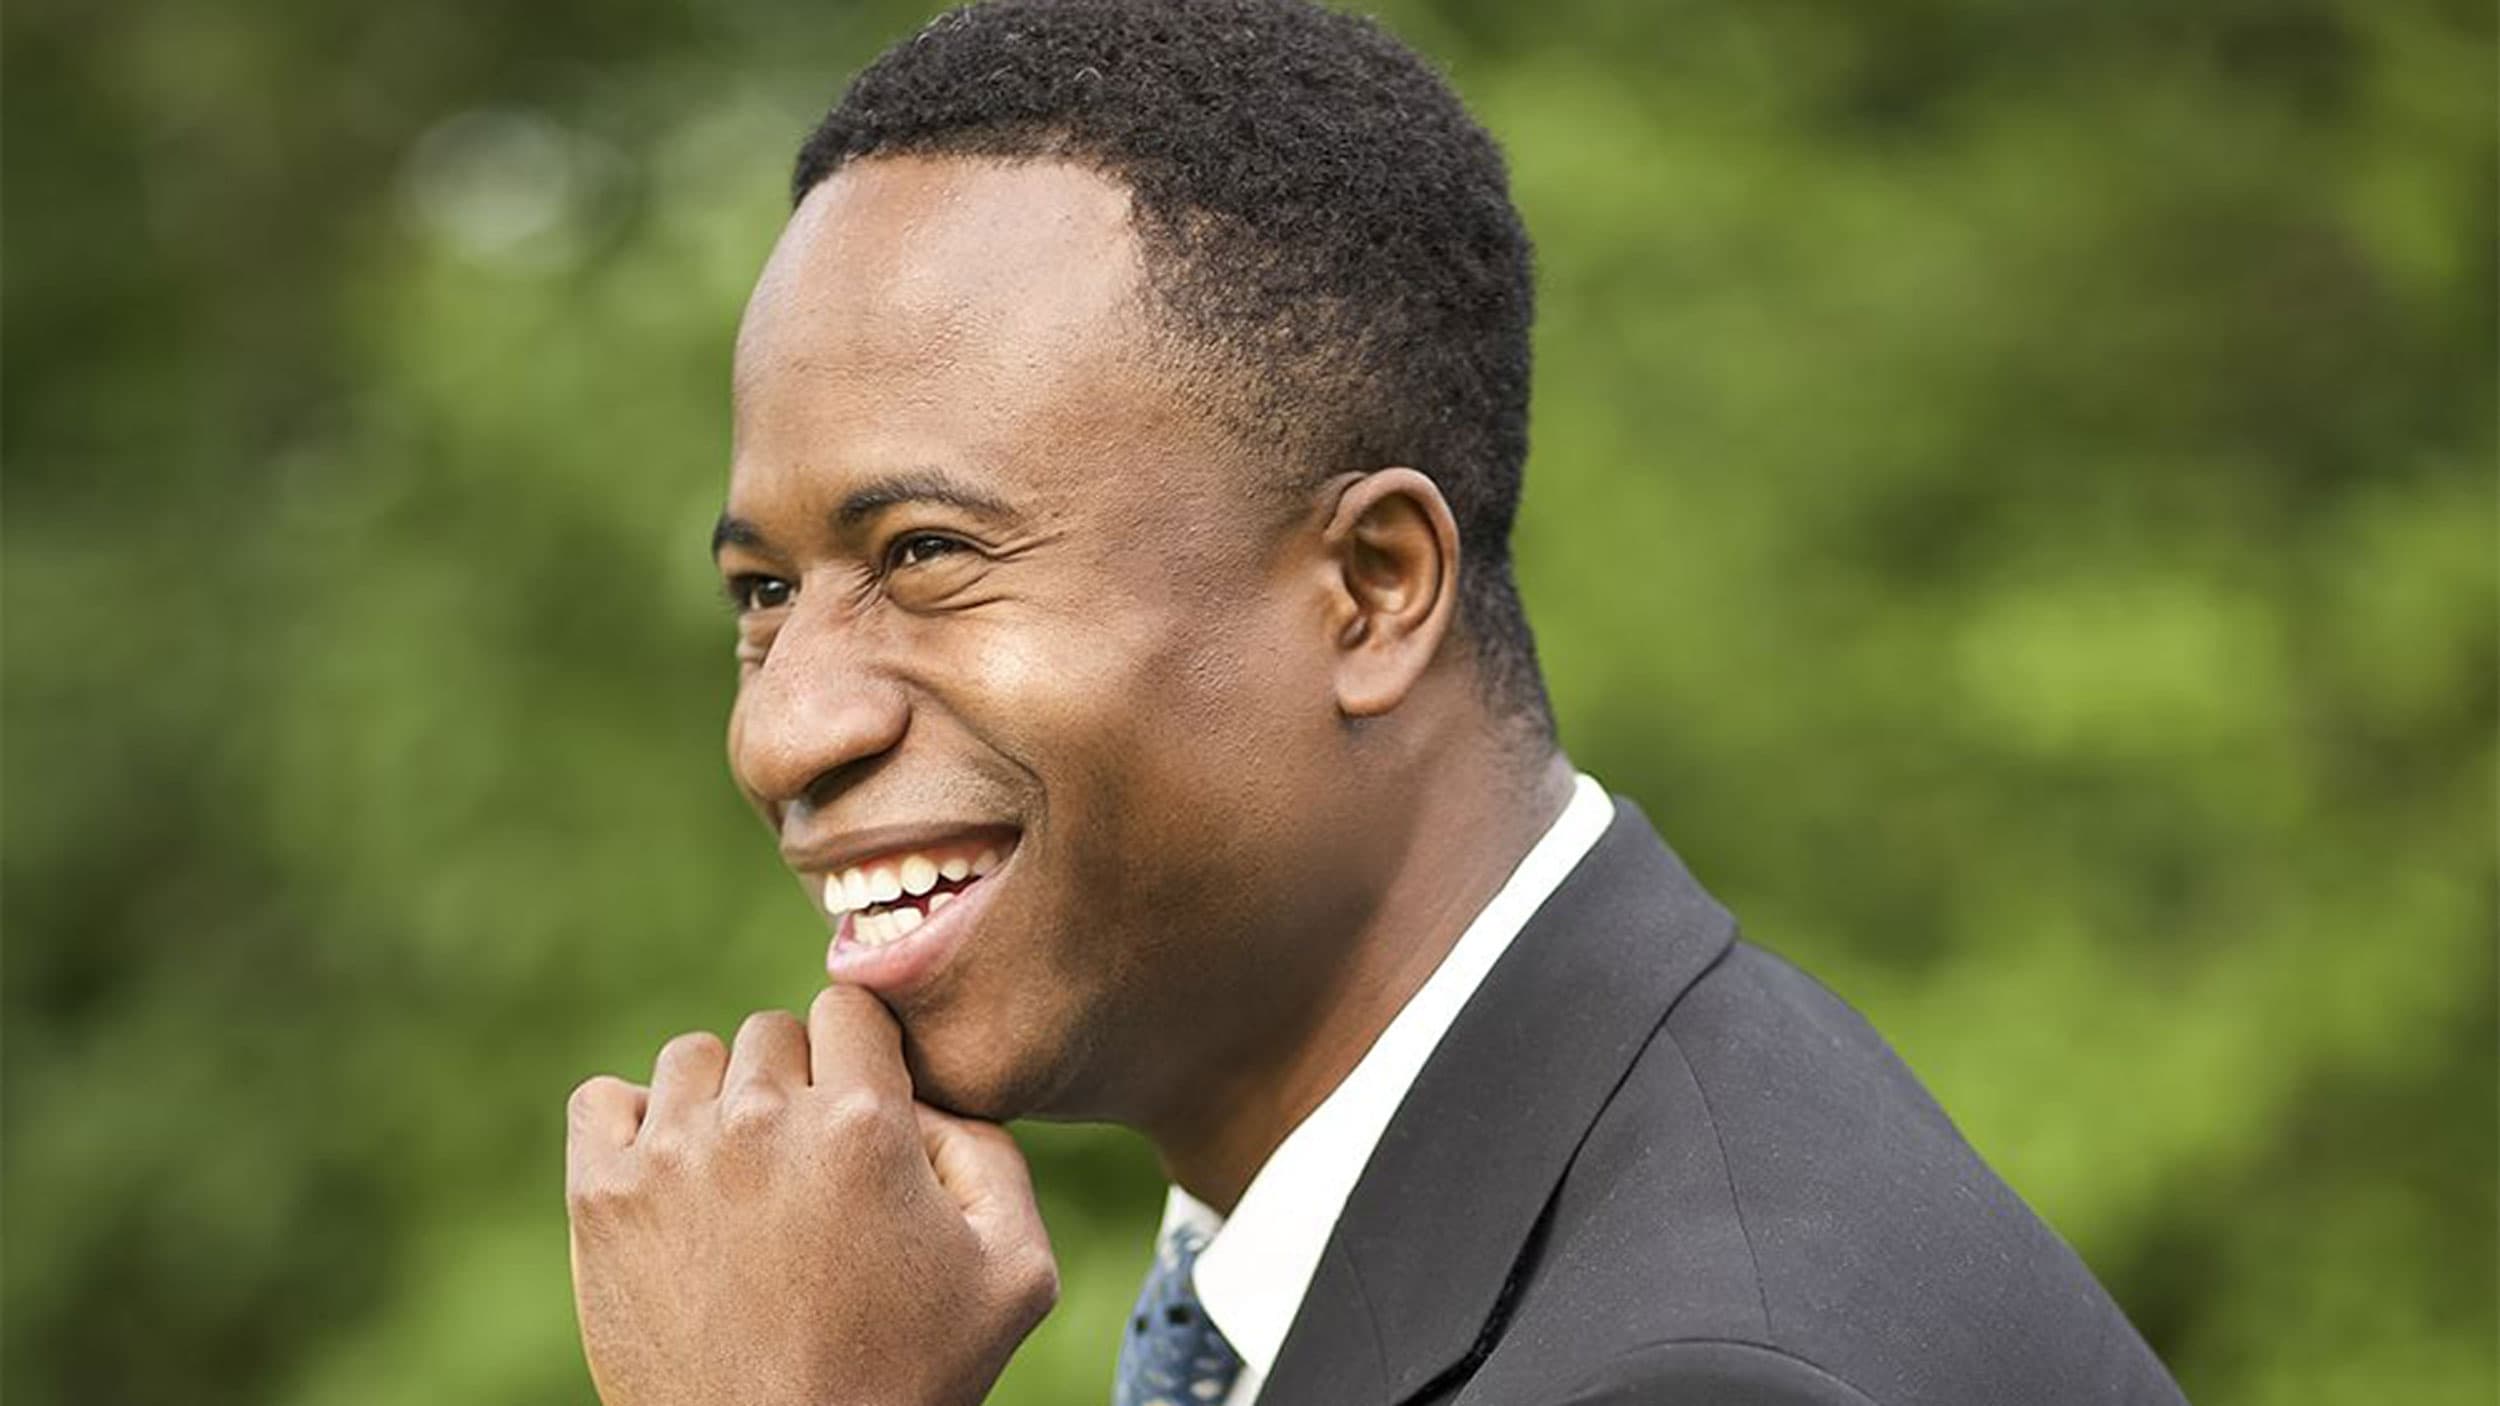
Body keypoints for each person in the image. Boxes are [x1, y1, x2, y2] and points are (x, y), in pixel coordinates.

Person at [561, 1, 2191, 1401]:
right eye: (764, 595)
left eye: (924, 552)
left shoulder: (1701, 1365)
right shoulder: (1488, 1224)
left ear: (1373, 589)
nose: (783, 730)